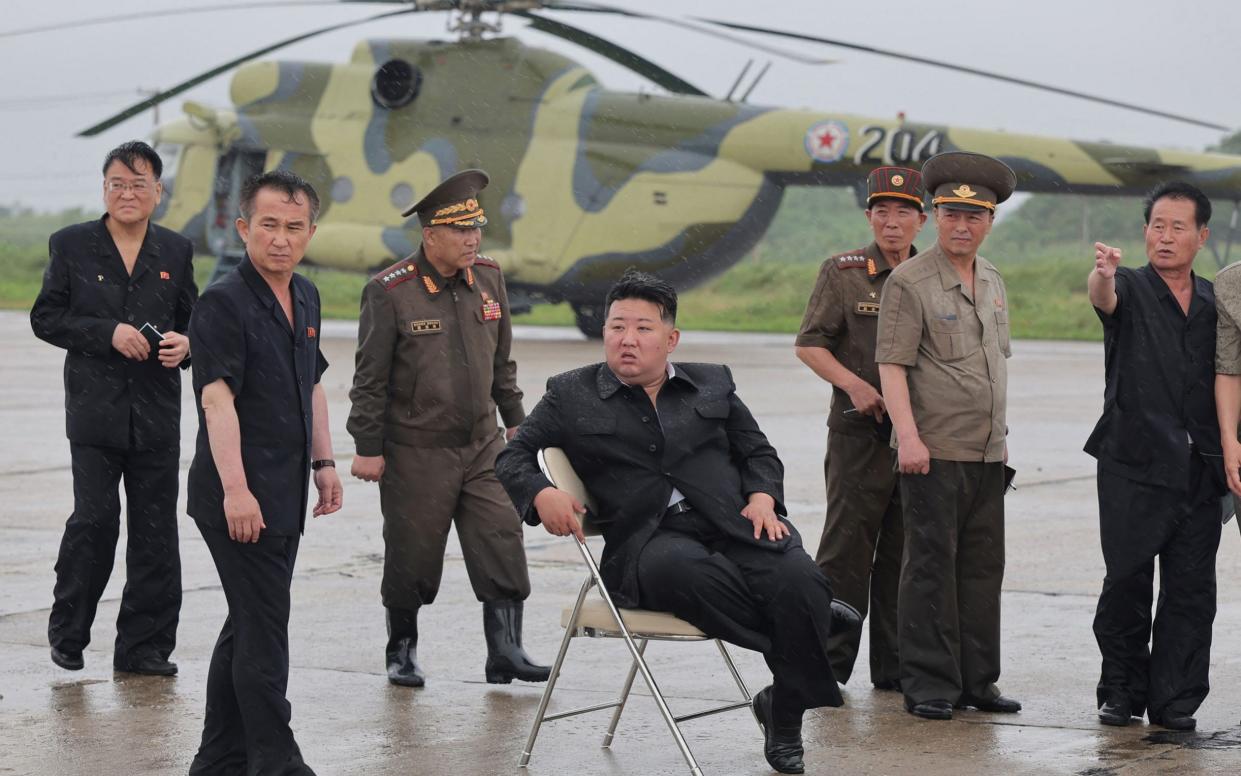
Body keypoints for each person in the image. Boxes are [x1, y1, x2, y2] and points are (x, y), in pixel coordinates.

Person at [496, 270, 857, 775]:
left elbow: (757, 451)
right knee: (695, 576)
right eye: (616, 326)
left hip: (738, 522)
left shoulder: (712, 381)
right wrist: (541, 492)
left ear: (671, 339)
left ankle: (784, 701)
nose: (627, 339)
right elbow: (512, 458)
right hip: (649, 541)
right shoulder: (569, 393)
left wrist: (761, 495)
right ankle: (816, 628)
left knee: (796, 579)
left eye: (643, 328)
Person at [347, 169, 547, 688]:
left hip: (485, 446)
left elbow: (503, 366)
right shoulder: (390, 292)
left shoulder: (490, 278)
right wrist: (367, 447)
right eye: (460, 231)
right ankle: (402, 649)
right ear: (430, 234)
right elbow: (369, 379)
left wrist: (522, 434)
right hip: (417, 449)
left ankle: (506, 650)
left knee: (501, 538)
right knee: (413, 553)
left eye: (476, 228)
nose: (472, 239)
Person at [186, 170, 343, 775]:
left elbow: (312, 386)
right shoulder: (223, 302)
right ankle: (277, 762)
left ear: (310, 232)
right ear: (244, 227)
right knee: (266, 630)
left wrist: (326, 463)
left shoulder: (306, 295)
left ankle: (219, 759)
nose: (281, 238)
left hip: (284, 492)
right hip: (237, 496)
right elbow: (215, 400)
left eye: (294, 227)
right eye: (269, 225)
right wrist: (236, 491)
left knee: (248, 621)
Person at [30, 141, 195, 675]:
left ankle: (144, 648)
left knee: (156, 535)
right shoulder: (73, 244)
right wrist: (107, 333)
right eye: (118, 184)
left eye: (139, 184)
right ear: (104, 189)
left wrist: (186, 345)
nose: (128, 193)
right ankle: (70, 634)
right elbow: (46, 317)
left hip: (156, 415)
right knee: (95, 522)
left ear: (157, 192)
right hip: (95, 414)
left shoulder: (176, 250)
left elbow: (194, 322)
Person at [875, 151, 1020, 721]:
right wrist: (907, 438)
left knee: (983, 570)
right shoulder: (909, 281)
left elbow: (993, 364)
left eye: (974, 216)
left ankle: (978, 682)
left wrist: (1002, 436)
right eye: (951, 215)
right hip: (932, 451)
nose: (962, 227)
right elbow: (892, 366)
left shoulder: (994, 281)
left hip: (987, 453)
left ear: (989, 222)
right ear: (936, 217)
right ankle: (931, 685)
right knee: (931, 567)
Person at [1086, 181, 1224, 731]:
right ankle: (1120, 691)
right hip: (1132, 463)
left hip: (1200, 469)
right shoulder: (1129, 286)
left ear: (1202, 236)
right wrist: (1102, 271)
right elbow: (1103, 296)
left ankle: (1175, 700)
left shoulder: (1217, 301)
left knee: (1192, 590)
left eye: (1178, 227)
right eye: (1156, 226)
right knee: (1126, 581)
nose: (1165, 237)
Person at [795, 166, 926, 690]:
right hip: (858, 434)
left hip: (915, 438)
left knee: (903, 553)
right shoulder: (844, 272)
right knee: (846, 553)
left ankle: (894, 670)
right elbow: (809, 344)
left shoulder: (932, 275)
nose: (891, 223)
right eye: (881, 212)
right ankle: (825, 668)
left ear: (922, 220)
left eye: (903, 213)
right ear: (869, 216)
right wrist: (854, 384)